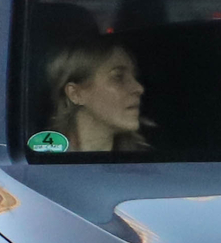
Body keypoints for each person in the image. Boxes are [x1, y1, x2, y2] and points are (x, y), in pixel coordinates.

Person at [38, 10, 150, 153]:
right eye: (118, 77)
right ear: (76, 94)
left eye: (134, 76)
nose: (139, 88)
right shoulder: (42, 162)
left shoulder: (147, 163)